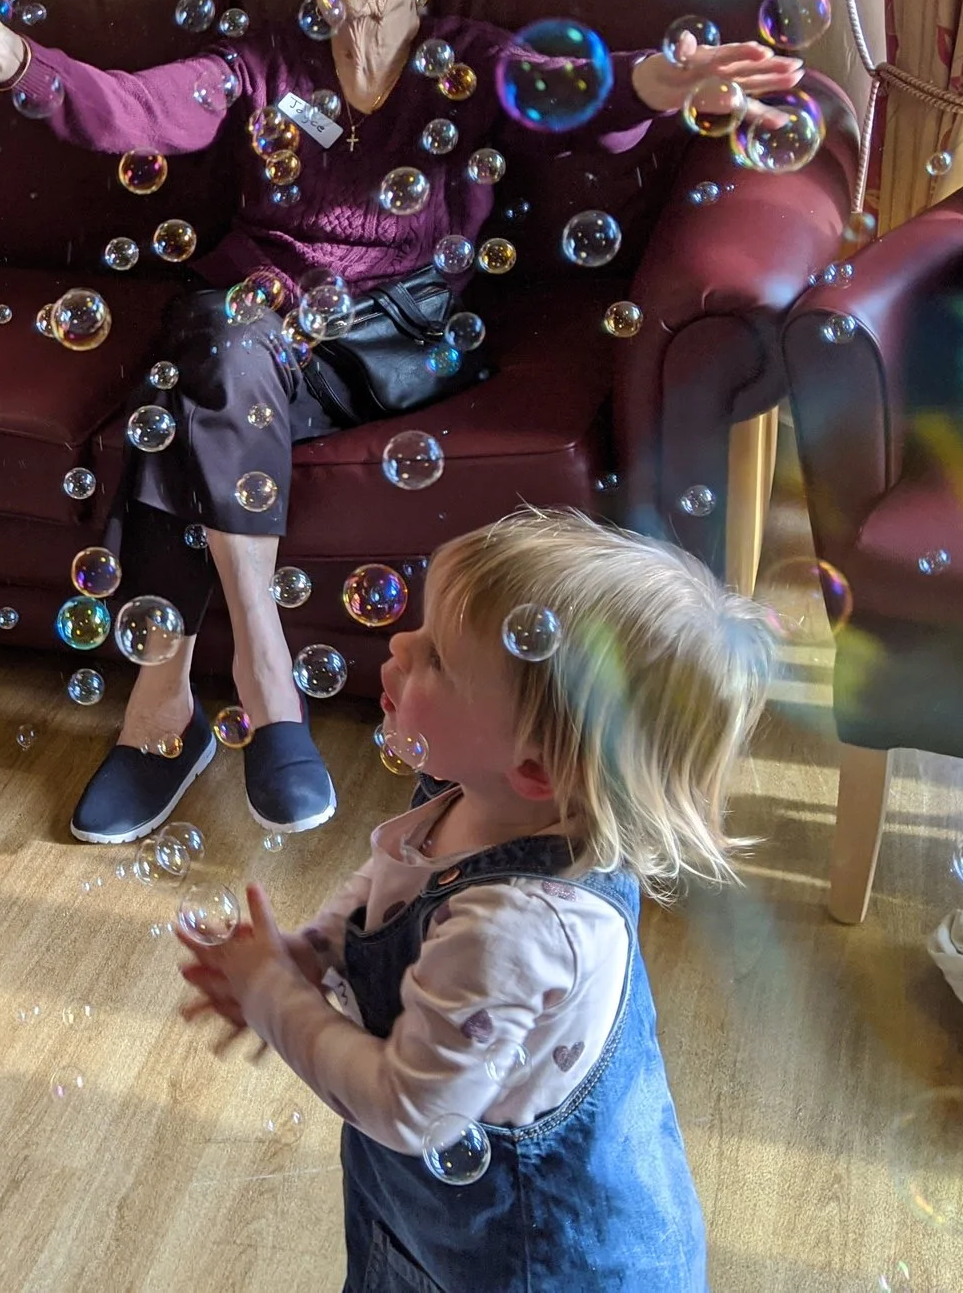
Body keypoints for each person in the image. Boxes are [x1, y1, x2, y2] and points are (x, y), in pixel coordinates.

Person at [0, 0, 802, 845]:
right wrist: (12, 56)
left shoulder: (466, 61)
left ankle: (160, 721)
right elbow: (136, 111)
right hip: (259, 317)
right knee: (214, 354)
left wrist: (662, 81)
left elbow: (572, 88)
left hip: (395, 331)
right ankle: (265, 686)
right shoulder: (265, 62)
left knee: (184, 402)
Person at [174, 508, 775, 1291]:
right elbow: (389, 878)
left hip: (534, 1262)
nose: (398, 646)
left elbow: (409, 1109)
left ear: (535, 769)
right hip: (430, 1221)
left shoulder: (516, 931)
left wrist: (273, 996)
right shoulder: (477, 799)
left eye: (436, 662)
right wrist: (309, 953)